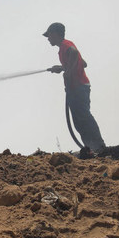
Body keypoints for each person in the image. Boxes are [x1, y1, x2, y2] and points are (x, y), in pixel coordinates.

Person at [43, 22, 106, 152]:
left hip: (78, 87)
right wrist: (62, 68)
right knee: (79, 121)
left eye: (49, 36)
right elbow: (83, 63)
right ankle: (91, 148)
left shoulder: (66, 45)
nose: (48, 39)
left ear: (55, 34)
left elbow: (74, 52)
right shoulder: (63, 49)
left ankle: (99, 147)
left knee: (83, 117)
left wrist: (69, 72)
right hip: (77, 87)